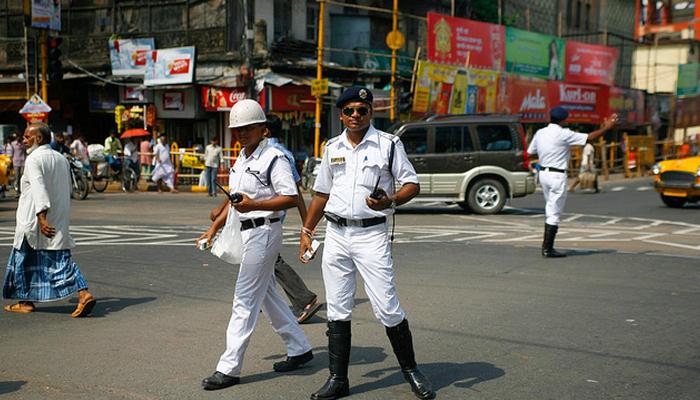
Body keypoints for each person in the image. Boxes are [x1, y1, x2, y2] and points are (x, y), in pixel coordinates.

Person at [299, 87, 435, 400]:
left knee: (387, 306)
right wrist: (307, 231)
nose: (355, 116)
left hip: (372, 235)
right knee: (337, 308)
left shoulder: (388, 144)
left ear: (370, 112)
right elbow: (321, 194)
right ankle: (338, 379)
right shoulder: (332, 147)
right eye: (349, 111)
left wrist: (391, 199)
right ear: (341, 114)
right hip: (336, 235)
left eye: (362, 110)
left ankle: (411, 369)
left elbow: (412, 184)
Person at [196, 99, 313, 391]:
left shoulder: (274, 157)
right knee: (266, 295)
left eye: (248, 128)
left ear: (263, 128)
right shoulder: (243, 158)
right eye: (237, 129)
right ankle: (299, 347)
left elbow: (290, 196)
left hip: (265, 231)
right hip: (246, 231)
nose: (242, 134)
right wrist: (213, 227)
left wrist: (260, 207)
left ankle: (229, 367)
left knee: (244, 298)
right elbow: (236, 199)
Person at [3, 123, 96, 317]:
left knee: (47, 260)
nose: (24, 140)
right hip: (57, 215)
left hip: (35, 218)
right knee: (34, 258)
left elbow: (39, 188)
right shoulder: (60, 158)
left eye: (28, 137)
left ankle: (83, 293)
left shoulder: (34, 159)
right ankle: (25, 300)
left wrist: (42, 218)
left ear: (39, 139)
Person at [527, 107, 618, 258]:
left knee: (550, 208)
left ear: (550, 117)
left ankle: (546, 247)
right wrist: (607, 127)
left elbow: (531, 152)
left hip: (543, 174)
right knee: (554, 212)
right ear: (564, 120)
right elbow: (589, 137)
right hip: (557, 175)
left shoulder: (540, 133)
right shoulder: (564, 134)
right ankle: (547, 249)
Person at [265, 114, 323, 323]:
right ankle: (265, 300)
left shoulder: (270, 153)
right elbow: (296, 192)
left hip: (264, 215)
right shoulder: (286, 154)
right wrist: (306, 224)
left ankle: (304, 298)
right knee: (264, 259)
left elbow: (293, 193)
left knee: (268, 258)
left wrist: (307, 227)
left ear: (265, 130)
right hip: (273, 215)